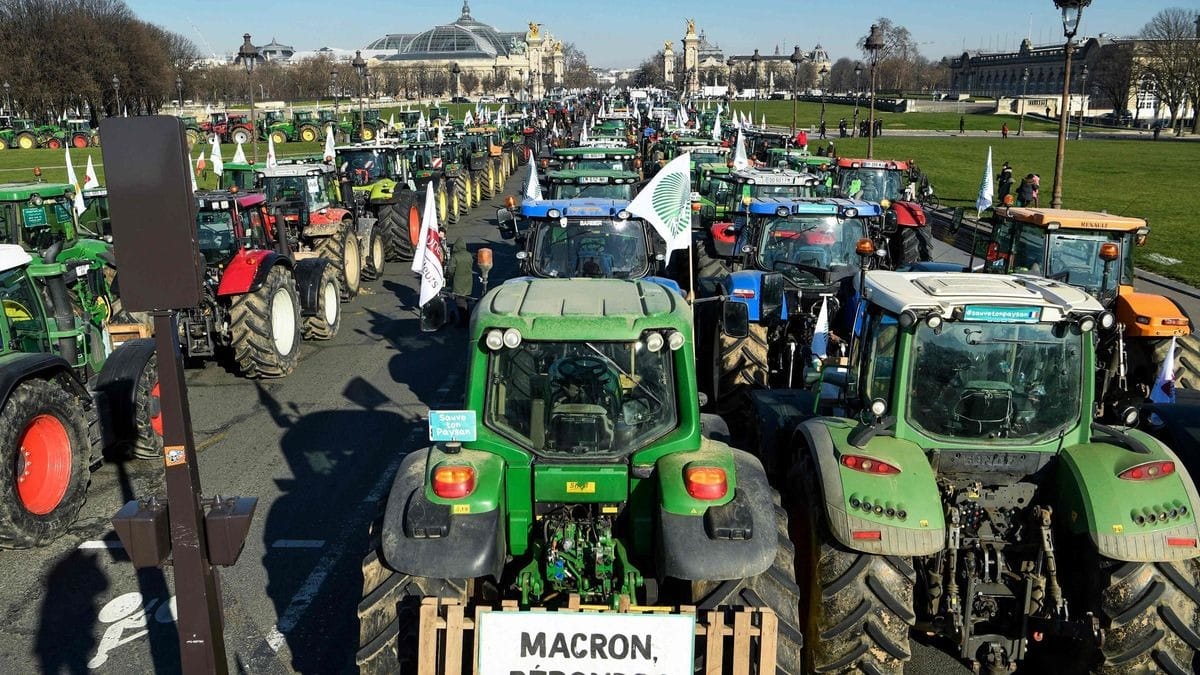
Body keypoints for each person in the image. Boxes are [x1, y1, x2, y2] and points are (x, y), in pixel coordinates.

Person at [445, 237, 475, 326]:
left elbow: (450, 270)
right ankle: (467, 319)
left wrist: (448, 276)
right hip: (468, 281)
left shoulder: (455, 256)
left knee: (460, 302)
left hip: (458, 282)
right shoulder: (469, 255)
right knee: (466, 300)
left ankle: (464, 322)